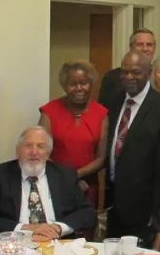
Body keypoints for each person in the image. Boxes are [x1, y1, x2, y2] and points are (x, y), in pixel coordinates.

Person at [0, 126, 97, 239]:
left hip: (57, 244)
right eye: (28, 145)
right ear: (18, 151)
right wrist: (27, 228)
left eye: (40, 146)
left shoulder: (65, 176)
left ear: (48, 154)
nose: (34, 152)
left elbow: (87, 214)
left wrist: (58, 228)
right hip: (15, 244)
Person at [104, 50, 160, 239]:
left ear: (149, 72)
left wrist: (157, 213)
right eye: (125, 72)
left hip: (143, 209)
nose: (129, 77)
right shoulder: (113, 102)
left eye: (136, 72)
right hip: (113, 204)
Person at [38, 60, 108, 214]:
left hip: (88, 185)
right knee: (54, 232)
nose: (79, 88)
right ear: (64, 86)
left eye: (83, 83)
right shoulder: (49, 111)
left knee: (86, 232)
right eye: (72, 84)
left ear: (91, 83)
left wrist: (75, 176)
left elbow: (101, 158)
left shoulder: (101, 113)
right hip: (54, 183)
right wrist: (67, 179)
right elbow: (41, 152)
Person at [98, 28, 157, 110]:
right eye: (140, 44)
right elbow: (103, 111)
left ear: (154, 49)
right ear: (131, 47)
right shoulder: (112, 77)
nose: (145, 49)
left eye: (149, 45)